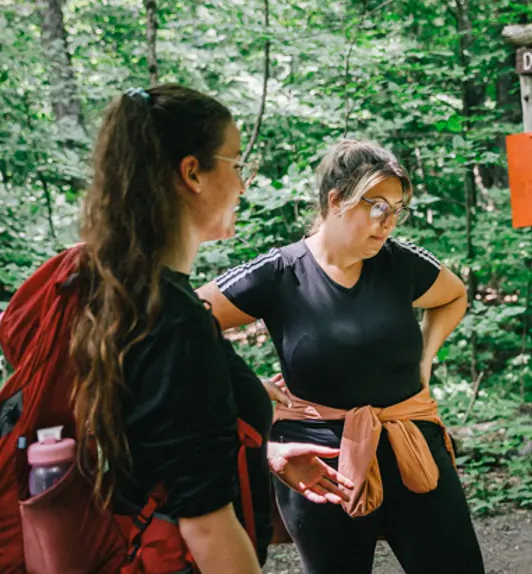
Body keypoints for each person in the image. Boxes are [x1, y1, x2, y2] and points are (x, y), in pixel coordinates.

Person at [70, 85, 351, 573]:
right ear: (192, 172)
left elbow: (161, 447)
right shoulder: (174, 321)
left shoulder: (120, 290)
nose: (243, 184)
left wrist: (267, 447)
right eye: (236, 163)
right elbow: (205, 525)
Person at [197, 140, 485, 574]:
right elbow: (183, 320)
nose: (388, 222)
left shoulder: (400, 263)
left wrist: (426, 357)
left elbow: (454, 295)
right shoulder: (279, 272)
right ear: (336, 200)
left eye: (396, 209)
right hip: (320, 466)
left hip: (412, 447)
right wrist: (245, 384)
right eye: (377, 207)